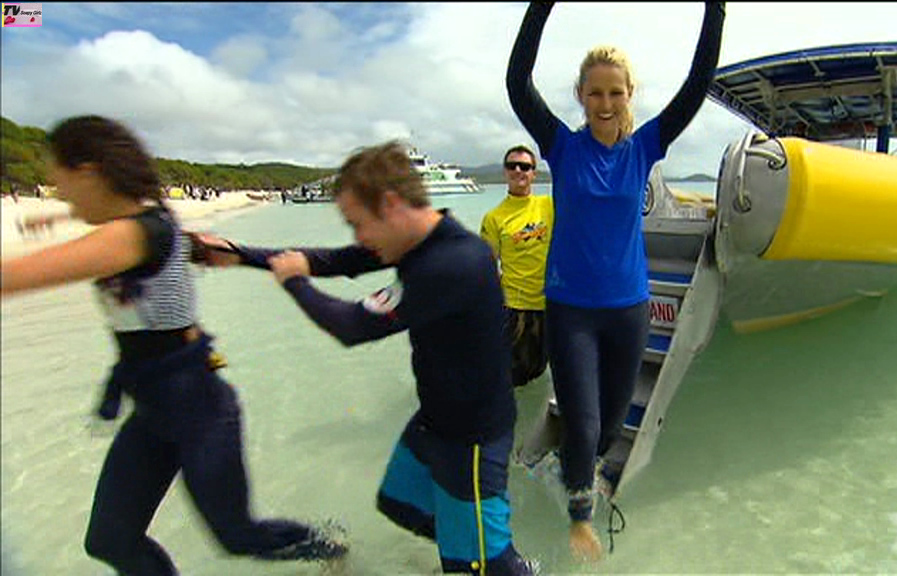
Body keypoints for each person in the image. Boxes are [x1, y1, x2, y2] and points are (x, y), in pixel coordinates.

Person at [0, 115, 347, 575]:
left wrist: (60, 216)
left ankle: (330, 549)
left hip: (199, 409)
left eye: (60, 182)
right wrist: (60, 213)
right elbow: (115, 219)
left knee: (237, 536)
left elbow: (15, 276)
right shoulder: (145, 221)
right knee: (110, 541)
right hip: (153, 411)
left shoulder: (136, 234)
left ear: (88, 172)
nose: (58, 191)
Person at [191, 140, 535, 575]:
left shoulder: (453, 263)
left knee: (472, 564)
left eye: (358, 223)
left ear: (390, 204)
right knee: (399, 503)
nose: (358, 237)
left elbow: (353, 326)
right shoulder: (419, 242)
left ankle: (491, 561)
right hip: (435, 421)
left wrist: (293, 283)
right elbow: (333, 261)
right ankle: (477, 549)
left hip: (471, 442)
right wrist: (240, 254)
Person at [506, 1, 726, 561]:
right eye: (596, 93)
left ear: (629, 96)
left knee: (607, 427)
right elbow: (517, 82)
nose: (605, 103)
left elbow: (697, 83)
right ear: (581, 96)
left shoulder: (645, 147)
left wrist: (716, 10)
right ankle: (579, 517)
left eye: (616, 93)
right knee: (582, 424)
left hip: (629, 309)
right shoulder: (561, 146)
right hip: (571, 310)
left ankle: (573, 468)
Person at [479, 145, 553, 389]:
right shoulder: (494, 218)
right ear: (505, 171)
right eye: (512, 166)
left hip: (552, 305)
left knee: (542, 374)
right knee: (513, 380)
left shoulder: (550, 205)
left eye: (525, 166)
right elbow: (487, 268)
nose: (518, 170)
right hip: (515, 309)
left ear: (534, 173)